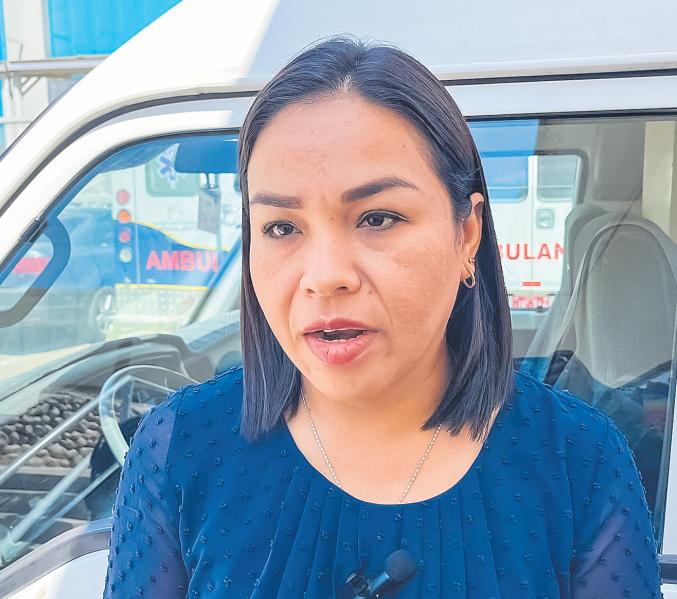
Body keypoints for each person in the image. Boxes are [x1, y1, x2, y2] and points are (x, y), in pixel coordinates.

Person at [102, 36, 663, 598]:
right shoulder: (180, 450)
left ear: (467, 235)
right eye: (281, 227)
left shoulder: (580, 463)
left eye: (377, 218)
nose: (326, 275)